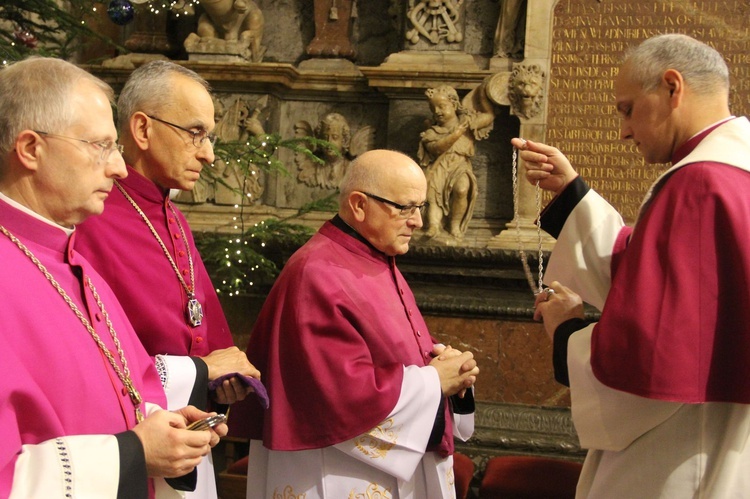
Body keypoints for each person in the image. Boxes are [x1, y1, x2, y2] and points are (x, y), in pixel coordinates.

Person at [514, 33, 750, 497]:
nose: (623, 130)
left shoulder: (699, 184)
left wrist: (566, 332)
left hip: (685, 440)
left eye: (627, 109)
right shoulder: (733, 170)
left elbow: (651, 347)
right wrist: (572, 194)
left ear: (671, 87)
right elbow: (658, 277)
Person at [0, 57, 226, 498]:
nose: (120, 168)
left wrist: (173, 429)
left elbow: (133, 390)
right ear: (30, 149)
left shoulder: (77, 266)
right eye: (101, 146)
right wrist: (134, 453)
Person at [239, 149, 479, 498]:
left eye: (420, 207)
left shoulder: (374, 259)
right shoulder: (317, 272)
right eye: (405, 207)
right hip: (337, 474)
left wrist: (447, 370)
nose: (418, 221)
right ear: (359, 205)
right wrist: (433, 381)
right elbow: (337, 394)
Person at [75, 60, 261, 498]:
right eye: (195, 133)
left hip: (188, 442)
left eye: (209, 137)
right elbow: (89, 356)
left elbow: (199, 334)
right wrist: (199, 371)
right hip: (125, 449)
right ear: (142, 129)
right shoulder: (89, 218)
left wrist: (217, 384)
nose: (209, 154)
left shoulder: (173, 216)